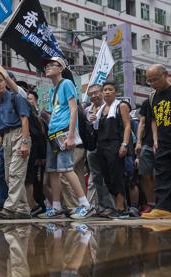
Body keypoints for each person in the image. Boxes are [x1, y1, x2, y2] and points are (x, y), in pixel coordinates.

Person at [38, 57, 94, 220]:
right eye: (46, 65)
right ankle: (56, 207)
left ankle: (85, 205)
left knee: (66, 169)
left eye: (51, 65)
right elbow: (54, 112)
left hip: (64, 132)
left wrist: (70, 135)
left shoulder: (67, 84)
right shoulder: (52, 90)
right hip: (53, 133)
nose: (47, 67)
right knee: (54, 171)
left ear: (61, 68)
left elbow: (74, 109)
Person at [0, 53, 32, 220]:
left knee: (15, 173)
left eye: (0, 81)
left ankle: (10, 208)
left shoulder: (16, 96)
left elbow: (24, 119)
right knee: (9, 175)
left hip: (20, 134)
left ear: (5, 82)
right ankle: (23, 208)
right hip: (6, 138)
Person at [94, 81, 132, 218]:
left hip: (115, 144)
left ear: (116, 92)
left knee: (117, 176)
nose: (107, 92)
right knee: (107, 177)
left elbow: (128, 126)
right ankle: (117, 206)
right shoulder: (100, 109)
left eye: (110, 89)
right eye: (105, 90)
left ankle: (121, 208)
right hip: (101, 145)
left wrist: (124, 144)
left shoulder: (121, 106)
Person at [142, 64, 171, 219]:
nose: (152, 83)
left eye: (155, 79)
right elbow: (153, 119)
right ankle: (163, 209)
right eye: (149, 81)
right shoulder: (153, 96)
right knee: (162, 174)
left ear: (165, 74)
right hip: (163, 141)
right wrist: (155, 139)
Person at [84, 84, 116, 216]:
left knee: (110, 176)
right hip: (92, 147)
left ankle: (115, 206)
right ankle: (103, 206)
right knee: (96, 178)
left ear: (102, 93)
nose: (93, 96)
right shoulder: (87, 110)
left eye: (96, 92)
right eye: (90, 94)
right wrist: (89, 122)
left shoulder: (111, 107)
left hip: (108, 146)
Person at [135, 97, 155, 214]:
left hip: (165, 142)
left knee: (162, 175)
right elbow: (142, 123)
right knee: (145, 174)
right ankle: (150, 203)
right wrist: (138, 142)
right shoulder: (149, 102)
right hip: (147, 143)